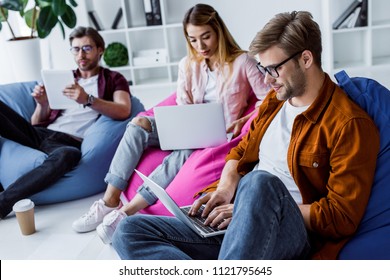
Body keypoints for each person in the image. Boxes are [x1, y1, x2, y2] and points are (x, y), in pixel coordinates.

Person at [111, 11, 380, 260]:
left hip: (289, 231)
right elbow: (240, 152)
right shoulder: (275, 103)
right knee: (130, 231)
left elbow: (342, 216)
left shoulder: (348, 124)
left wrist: (248, 208)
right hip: (238, 222)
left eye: (273, 69)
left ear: (306, 59)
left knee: (259, 183)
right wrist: (228, 187)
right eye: (263, 69)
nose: (267, 80)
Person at [72, 3, 269, 244]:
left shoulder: (242, 61)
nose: (200, 46)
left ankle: (126, 212)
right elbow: (181, 102)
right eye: (193, 39)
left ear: (218, 31)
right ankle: (109, 200)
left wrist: (244, 119)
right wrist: (178, 126)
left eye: (206, 37)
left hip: (218, 133)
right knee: (138, 124)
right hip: (188, 125)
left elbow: (268, 98)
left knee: (183, 151)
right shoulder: (188, 64)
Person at [0, 26, 132, 219]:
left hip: (67, 141)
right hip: (41, 134)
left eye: (87, 48)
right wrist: (42, 104)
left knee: (69, 155)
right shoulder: (63, 78)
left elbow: (124, 109)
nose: (81, 54)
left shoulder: (113, 79)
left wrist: (88, 99)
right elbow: (35, 123)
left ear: (100, 49)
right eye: (76, 49)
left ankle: (3, 202)